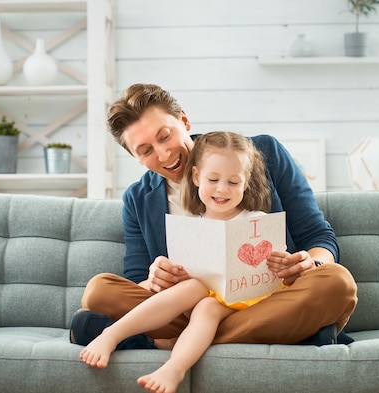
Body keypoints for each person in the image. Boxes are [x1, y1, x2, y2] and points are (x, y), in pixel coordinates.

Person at [71, 83, 357, 352]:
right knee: (99, 292)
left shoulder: (262, 153)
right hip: (187, 309)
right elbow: (136, 283)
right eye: (146, 151)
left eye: (165, 135)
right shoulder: (138, 199)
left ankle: (171, 345)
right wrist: (154, 279)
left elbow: (319, 237)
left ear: (184, 120)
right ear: (136, 158)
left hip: (266, 302)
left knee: (336, 282)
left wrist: (311, 263)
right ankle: (299, 334)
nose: (164, 153)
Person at [80, 131, 279, 393]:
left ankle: (169, 354)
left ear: (246, 183)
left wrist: (282, 262)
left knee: (206, 304)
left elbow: (274, 264)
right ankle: (116, 337)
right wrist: (166, 275)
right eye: (213, 179)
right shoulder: (192, 228)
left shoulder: (256, 220)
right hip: (206, 300)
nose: (222, 189)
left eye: (233, 182)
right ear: (196, 177)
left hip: (251, 300)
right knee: (199, 297)